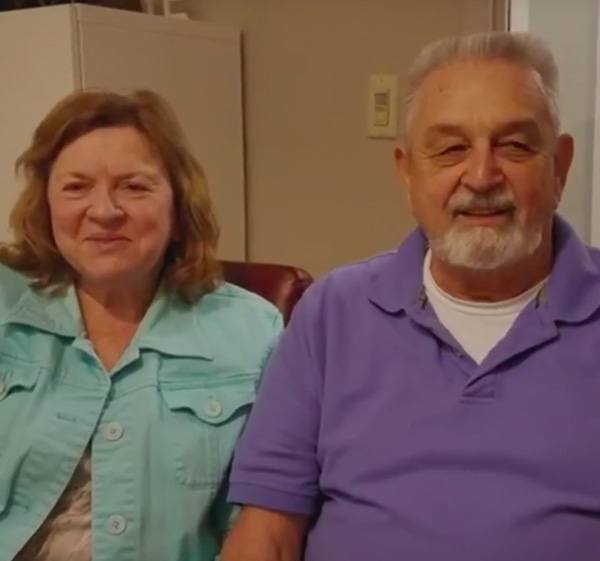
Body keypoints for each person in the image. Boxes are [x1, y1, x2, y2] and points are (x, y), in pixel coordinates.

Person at [220, 30, 600, 561]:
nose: (483, 175)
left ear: (559, 167)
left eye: (514, 145)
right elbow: (268, 531)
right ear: (407, 173)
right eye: (451, 149)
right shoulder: (333, 313)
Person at [0, 89, 282, 561]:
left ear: (177, 207)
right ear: (46, 206)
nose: (105, 210)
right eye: (76, 187)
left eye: (135, 186)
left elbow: (263, 519)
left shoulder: (254, 334)